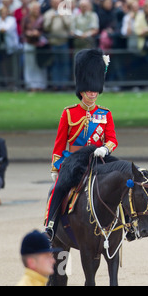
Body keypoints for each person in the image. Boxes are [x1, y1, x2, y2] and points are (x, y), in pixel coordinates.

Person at [44, 48, 118, 240]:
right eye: (89, 90)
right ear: (81, 90)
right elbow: (60, 143)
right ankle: (50, 225)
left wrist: (105, 148)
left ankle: (124, 224)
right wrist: (55, 167)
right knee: (59, 188)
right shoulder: (69, 113)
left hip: (99, 157)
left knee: (122, 179)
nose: (92, 94)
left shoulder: (105, 114)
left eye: (95, 90)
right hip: (75, 159)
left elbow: (112, 139)